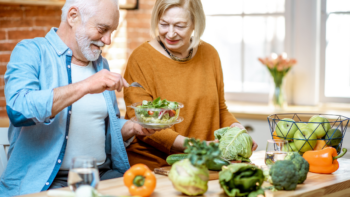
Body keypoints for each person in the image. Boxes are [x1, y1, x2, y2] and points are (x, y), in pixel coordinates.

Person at [0, 0, 156, 196]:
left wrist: (133, 127)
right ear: (73, 16)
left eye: (112, 32)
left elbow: (102, 130)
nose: (107, 40)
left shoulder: (101, 64)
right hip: (48, 182)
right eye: (102, 29)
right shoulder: (31, 52)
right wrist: (85, 86)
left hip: (102, 175)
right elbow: (19, 109)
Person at [123, 0, 258, 170]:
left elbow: (220, 109)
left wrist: (237, 131)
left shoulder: (210, 54)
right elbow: (143, 123)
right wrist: (198, 146)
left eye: (180, 26)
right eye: (164, 24)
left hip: (203, 163)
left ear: (195, 23)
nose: (170, 34)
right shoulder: (141, 59)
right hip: (157, 167)